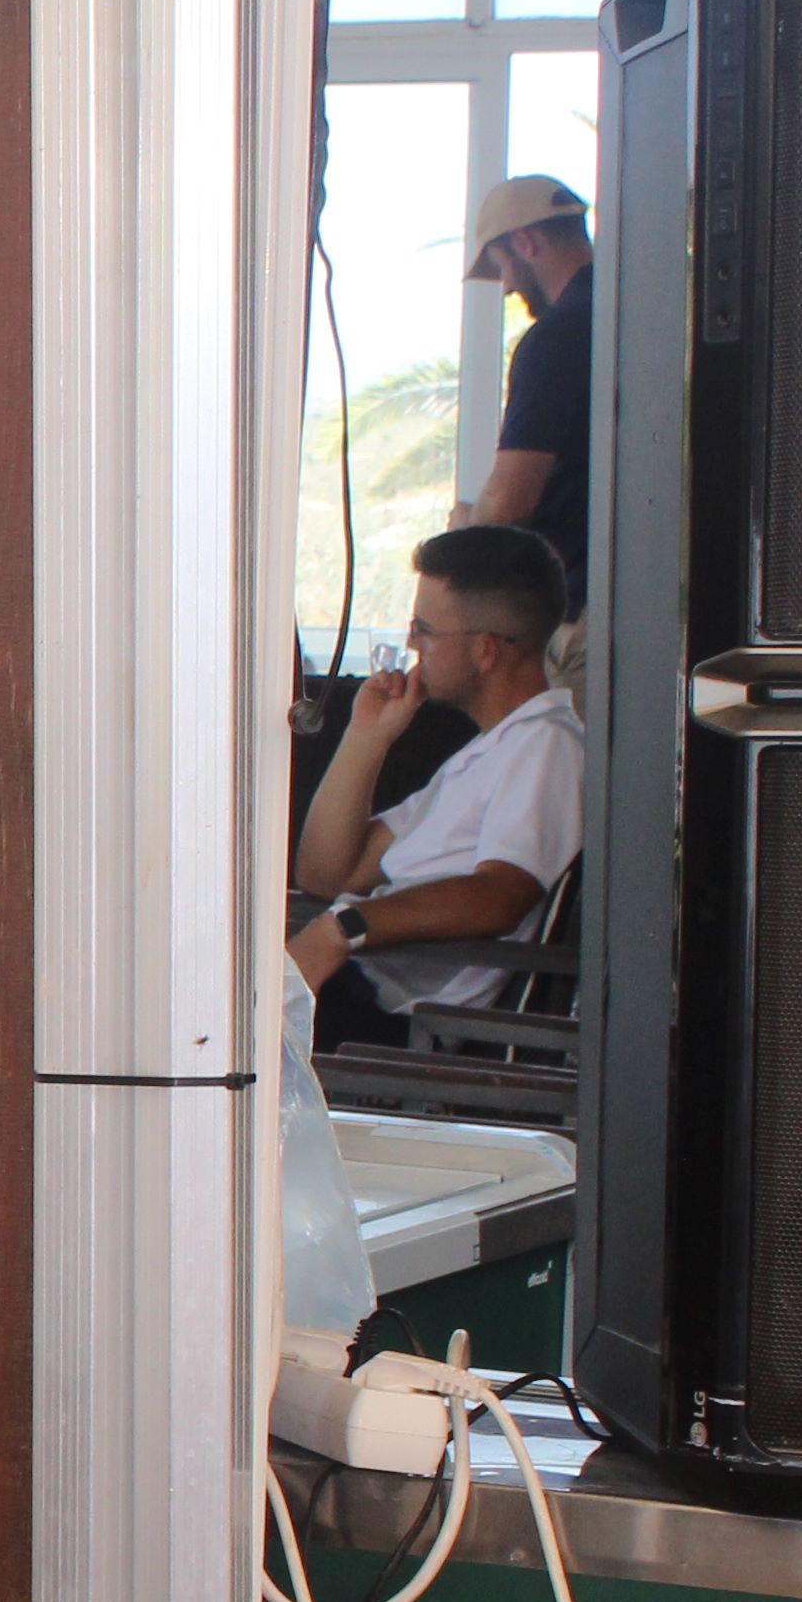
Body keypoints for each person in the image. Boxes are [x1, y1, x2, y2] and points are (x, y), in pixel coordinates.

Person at [292, 523, 583, 1058]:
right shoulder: (489, 753)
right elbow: (325, 874)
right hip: (352, 988)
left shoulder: (546, 745)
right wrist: (367, 736)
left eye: (423, 629)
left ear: (486, 650)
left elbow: (500, 895)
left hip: (387, 1018)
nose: (412, 645)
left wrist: (344, 928)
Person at [458, 169, 593, 603]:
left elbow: (509, 501)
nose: (507, 288)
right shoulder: (629, 316)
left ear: (526, 242)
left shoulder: (556, 337)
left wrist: (466, 529)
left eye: (502, 266)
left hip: (581, 604)